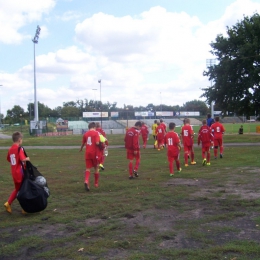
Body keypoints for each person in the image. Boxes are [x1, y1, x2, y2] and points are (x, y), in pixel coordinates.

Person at [4, 131, 30, 214]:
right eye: (21, 139)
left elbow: (8, 159)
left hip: (14, 172)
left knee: (17, 189)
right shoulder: (19, 148)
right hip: (20, 172)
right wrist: (27, 159)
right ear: (19, 140)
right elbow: (22, 159)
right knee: (24, 189)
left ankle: (8, 203)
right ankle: (25, 208)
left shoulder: (10, 149)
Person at [80, 122, 101, 191]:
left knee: (88, 168)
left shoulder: (85, 134)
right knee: (96, 168)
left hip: (88, 153)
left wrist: (81, 149)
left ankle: (86, 181)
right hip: (94, 153)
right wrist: (102, 145)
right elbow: (97, 143)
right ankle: (96, 183)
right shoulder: (96, 133)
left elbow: (83, 143)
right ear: (94, 127)